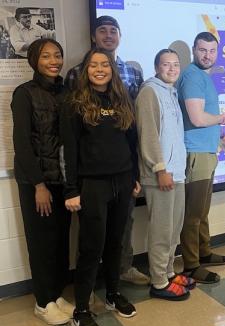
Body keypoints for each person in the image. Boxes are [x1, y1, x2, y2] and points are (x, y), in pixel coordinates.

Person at [61, 48, 139, 326]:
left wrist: (135, 177)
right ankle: (81, 310)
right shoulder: (75, 103)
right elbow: (68, 150)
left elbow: (132, 141)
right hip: (92, 184)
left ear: (112, 69)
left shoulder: (123, 100)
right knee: (91, 247)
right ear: (86, 70)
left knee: (116, 243)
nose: (99, 69)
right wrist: (71, 189)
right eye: (93, 65)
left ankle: (113, 294)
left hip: (123, 179)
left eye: (104, 64)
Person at [65, 15, 149, 285]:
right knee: (90, 232)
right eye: (103, 31)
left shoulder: (133, 72)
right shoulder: (77, 73)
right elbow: (72, 131)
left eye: (114, 31)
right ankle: (88, 287)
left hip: (122, 168)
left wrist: (135, 170)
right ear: (94, 36)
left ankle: (122, 269)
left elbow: (133, 126)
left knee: (123, 226)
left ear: (120, 36)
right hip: (92, 173)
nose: (109, 35)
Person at [11, 38, 73, 326]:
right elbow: (22, 144)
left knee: (60, 241)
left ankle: (56, 294)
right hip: (38, 184)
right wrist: (38, 185)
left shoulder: (66, 91)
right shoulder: (24, 94)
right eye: (46, 56)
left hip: (62, 180)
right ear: (34, 60)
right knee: (41, 242)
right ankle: (42, 301)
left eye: (57, 55)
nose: (54, 61)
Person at [136, 49, 195, 300]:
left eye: (175, 65)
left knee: (174, 228)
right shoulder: (150, 91)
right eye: (166, 65)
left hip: (177, 172)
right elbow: (147, 133)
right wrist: (160, 168)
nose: (171, 69)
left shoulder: (170, 92)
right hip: (161, 173)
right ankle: (159, 282)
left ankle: (169, 272)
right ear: (156, 67)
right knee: (161, 229)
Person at [177, 32, 225, 284]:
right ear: (193, 49)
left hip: (207, 151)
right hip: (196, 153)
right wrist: (222, 118)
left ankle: (204, 252)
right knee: (193, 213)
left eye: (212, 51)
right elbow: (198, 119)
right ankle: (190, 266)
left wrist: (220, 135)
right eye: (202, 50)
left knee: (202, 210)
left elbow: (203, 117)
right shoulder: (191, 77)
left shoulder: (204, 77)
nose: (207, 55)